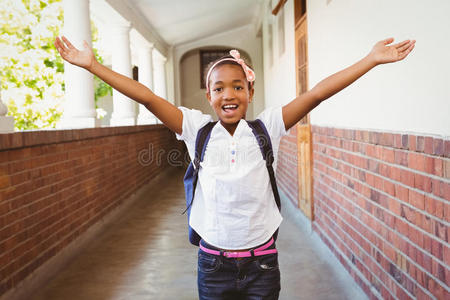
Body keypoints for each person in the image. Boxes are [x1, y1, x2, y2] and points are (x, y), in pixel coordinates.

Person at [54, 35, 415, 299]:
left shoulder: (268, 127)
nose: (229, 94)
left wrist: (370, 59)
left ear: (250, 92)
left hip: (262, 265)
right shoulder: (195, 128)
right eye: (219, 88)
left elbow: (317, 93)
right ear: (208, 96)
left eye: (238, 86)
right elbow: (147, 96)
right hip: (213, 266)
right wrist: (92, 66)